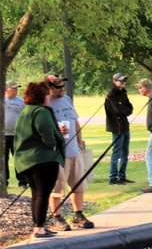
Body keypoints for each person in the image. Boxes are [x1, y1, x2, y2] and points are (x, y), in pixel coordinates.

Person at [14, 82, 65, 239]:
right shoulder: (41, 111)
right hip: (43, 160)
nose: (49, 96)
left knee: (36, 194)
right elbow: (46, 130)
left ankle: (38, 226)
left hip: (26, 161)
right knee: (43, 194)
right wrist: (53, 145)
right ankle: (40, 229)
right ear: (42, 96)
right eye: (47, 94)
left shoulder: (26, 111)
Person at [46, 74, 94, 230]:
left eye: (63, 86)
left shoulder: (67, 99)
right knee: (57, 188)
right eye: (58, 87)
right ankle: (57, 218)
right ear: (49, 88)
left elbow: (75, 121)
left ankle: (78, 215)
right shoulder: (45, 104)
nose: (62, 89)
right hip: (57, 154)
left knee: (78, 185)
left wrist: (80, 142)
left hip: (74, 151)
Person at [105, 72, 134, 185]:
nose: (123, 83)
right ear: (114, 81)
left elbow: (130, 108)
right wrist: (124, 111)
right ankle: (113, 177)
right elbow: (117, 110)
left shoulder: (123, 94)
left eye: (124, 81)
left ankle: (122, 176)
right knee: (116, 152)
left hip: (125, 126)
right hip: (116, 127)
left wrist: (125, 111)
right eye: (121, 81)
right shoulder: (111, 95)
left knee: (125, 153)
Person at [4, 79, 25, 185]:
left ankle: (22, 181)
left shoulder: (21, 101)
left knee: (19, 158)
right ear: (6, 89)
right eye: (14, 88)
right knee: (3, 159)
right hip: (3, 135)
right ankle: (4, 180)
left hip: (17, 135)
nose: (16, 90)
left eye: (17, 88)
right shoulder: (1, 100)